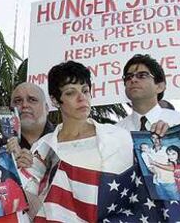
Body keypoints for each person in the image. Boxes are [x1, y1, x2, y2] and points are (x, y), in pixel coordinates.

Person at [34, 60, 133, 221]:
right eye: (71, 92)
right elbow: (32, 201)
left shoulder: (120, 137)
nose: (82, 98)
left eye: (85, 91)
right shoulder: (42, 147)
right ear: (54, 100)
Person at [117, 54, 180, 134]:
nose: (133, 79)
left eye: (142, 75)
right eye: (129, 77)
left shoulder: (177, 121)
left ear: (160, 86)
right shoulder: (115, 132)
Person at [7, 82, 54, 168]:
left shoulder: (62, 140)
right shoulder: (1, 148)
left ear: (46, 108)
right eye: (18, 101)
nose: (24, 105)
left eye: (32, 100)